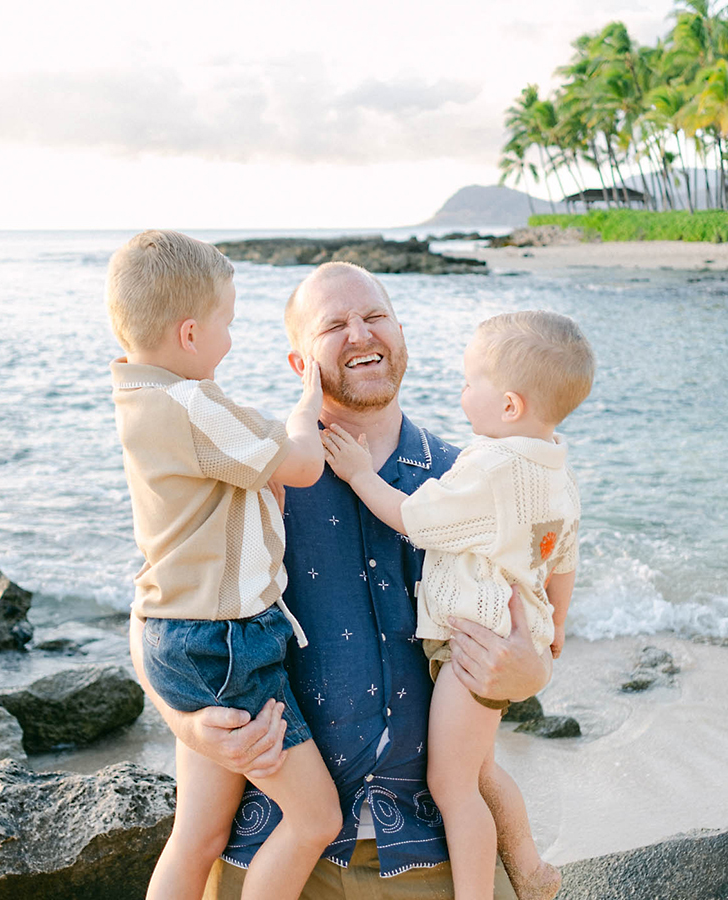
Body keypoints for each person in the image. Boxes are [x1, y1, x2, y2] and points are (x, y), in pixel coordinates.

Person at [128, 259, 551, 898]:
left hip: (428, 847)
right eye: (334, 325)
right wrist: (182, 722)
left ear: (401, 334)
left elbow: (539, 624)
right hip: (273, 850)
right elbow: (158, 613)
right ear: (299, 364)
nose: (361, 334)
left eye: (376, 316)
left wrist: (532, 671)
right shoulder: (254, 471)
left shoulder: (471, 477)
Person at [321, 310, 595, 900]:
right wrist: (556, 629)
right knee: (480, 771)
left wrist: (362, 476)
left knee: (453, 787)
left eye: (472, 383)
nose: (461, 392)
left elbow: (417, 519)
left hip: (474, 649)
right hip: (505, 638)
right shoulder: (556, 470)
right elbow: (565, 561)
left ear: (511, 406)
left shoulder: (492, 469)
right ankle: (530, 866)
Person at [107, 230, 343, 900]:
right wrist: (306, 406)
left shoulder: (137, 399)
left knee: (197, 837)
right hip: (227, 645)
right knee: (315, 818)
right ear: (188, 334)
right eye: (227, 325)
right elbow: (300, 464)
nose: (231, 342)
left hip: (174, 635)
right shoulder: (193, 404)